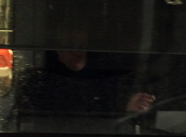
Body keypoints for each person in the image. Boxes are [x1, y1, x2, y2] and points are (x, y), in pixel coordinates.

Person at [20, 49, 155, 119]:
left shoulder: (110, 77)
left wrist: (134, 105)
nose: (77, 51)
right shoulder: (37, 80)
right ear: (57, 50)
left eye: (82, 45)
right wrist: (121, 106)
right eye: (70, 45)